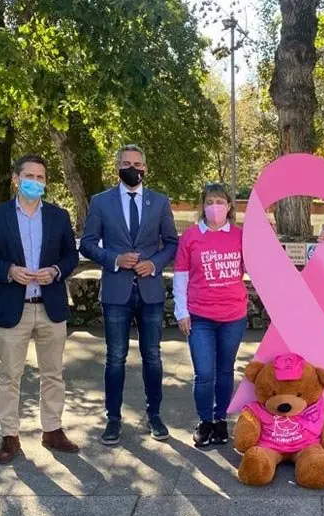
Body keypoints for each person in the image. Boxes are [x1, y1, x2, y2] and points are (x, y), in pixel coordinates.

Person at [0, 154, 81, 464]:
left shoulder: (59, 217)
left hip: (50, 307)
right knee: (9, 375)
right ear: (15, 179)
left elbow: (70, 257)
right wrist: (8, 270)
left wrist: (56, 272)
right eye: (30, 176)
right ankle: (10, 436)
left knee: (54, 373)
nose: (36, 182)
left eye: (41, 177)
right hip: (13, 306)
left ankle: (53, 430)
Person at [80, 144, 179, 445]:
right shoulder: (101, 202)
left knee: (152, 356)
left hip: (150, 291)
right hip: (116, 291)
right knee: (116, 357)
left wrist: (155, 263)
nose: (132, 168)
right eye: (126, 163)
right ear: (118, 167)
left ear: (145, 168)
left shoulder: (159, 202)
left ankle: (155, 415)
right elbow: (87, 243)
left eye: (137, 163)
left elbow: (172, 243)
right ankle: (113, 418)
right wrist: (114, 258)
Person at [173, 183, 248, 449]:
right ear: (202, 205)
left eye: (220, 201)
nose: (214, 206)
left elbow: (257, 265)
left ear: (229, 206)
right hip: (200, 317)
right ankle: (204, 421)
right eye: (209, 201)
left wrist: (266, 237)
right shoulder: (191, 237)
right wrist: (181, 312)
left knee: (225, 371)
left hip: (233, 316)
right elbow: (180, 275)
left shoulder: (240, 236)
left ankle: (220, 421)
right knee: (204, 373)